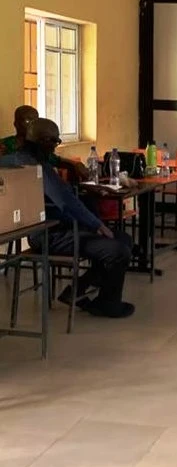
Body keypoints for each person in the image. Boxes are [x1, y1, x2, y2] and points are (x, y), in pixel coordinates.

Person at [0, 118, 135, 318]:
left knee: (123, 239)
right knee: (118, 249)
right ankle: (107, 304)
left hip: (40, 231)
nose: (55, 148)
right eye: (54, 142)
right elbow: (65, 201)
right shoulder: (38, 168)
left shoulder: (11, 160)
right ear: (43, 141)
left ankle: (76, 291)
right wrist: (97, 225)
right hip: (53, 234)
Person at [0, 105, 89, 181]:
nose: (32, 125)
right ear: (16, 124)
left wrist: (76, 164)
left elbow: (57, 160)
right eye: (27, 121)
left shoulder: (38, 147)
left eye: (35, 121)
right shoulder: (5, 145)